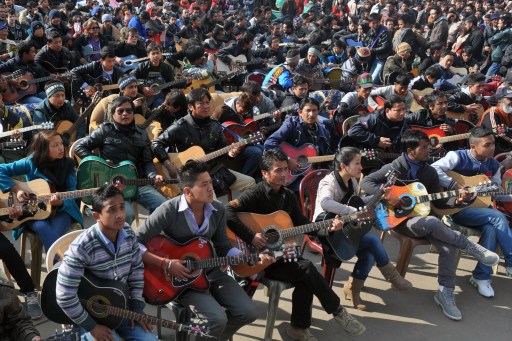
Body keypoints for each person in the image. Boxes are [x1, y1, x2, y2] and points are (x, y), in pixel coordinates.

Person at [225, 149, 366, 339]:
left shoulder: (288, 197)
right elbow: (226, 211)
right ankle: (333, 313)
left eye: (285, 169)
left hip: (280, 255)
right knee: (307, 269)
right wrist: (251, 237)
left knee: (306, 274)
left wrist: (328, 228)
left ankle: (300, 327)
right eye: (278, 170)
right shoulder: (254, 193)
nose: (284, 174)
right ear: (264, 173)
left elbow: (303, 224)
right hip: (258, 259)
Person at [361, 129, 499, 320]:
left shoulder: (429, 172)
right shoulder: (395, 167)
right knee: (434, 222)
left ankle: (445, 292)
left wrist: (459, 201)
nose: (429, 151)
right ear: (411, 151)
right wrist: (388, 195)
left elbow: (441, 203)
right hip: (400, 221)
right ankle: (469, 245)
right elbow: (366, 182)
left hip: (427, 220)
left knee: (448, 246)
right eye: (425, 147)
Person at [136, 160, 273, 340]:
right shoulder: (168, 210)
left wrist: (248, 258)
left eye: (210, 182)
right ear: (187, 191)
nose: (211, 188)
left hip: (211, 271)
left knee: (248, 312)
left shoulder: (217, 209)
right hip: (179, 280)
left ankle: (210, 337)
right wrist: (166, 263)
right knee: (217, 318)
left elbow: (224, 247)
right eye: (204, 184)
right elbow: (135, 242)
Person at [312, 147, 412, 311]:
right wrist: (353, 212)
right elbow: (326, 203)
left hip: (346, 228)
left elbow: (357, 201)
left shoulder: (352, 179)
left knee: (370, 253)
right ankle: (391, 277)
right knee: (372, 241)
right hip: (327, 231)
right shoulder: (328, 182)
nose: (361, 167)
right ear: (344, 166)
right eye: (357, 163)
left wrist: (380, 195)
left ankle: (354, 290)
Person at [56, 184, 156, 341]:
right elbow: (64, 296)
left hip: (121, 309)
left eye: (122, 207)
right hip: (88, 315)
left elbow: (136, 269)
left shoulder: (129, 233)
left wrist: (137, 307)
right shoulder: (82, 248)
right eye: (112, 210)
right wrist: (92, 327)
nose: (120, 215)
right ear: (96, 216)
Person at [432, 127, 512, 298]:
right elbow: (433, 170)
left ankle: (481, 277)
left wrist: (502, 193)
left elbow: (496, 191)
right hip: (457, 208)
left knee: (491, 227)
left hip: (482, 209)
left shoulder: (494, 166)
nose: (492, 148)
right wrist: (455, 185)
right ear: (473, 147)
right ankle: (511, 261)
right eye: (487, 145)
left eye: (493, 144)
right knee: (498, 217)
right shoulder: (456, 156)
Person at [75, 96, 168, 225]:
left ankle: (145, 236)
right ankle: (121, 242)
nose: (125, 114)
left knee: (164, 206)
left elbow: (147, 161)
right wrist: (101, 163)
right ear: (113, 114)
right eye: (120, 111)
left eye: (129, 111)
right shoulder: (104, 130)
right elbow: (79, 147)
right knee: (126, 214)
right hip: (112, 186)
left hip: (137, 182)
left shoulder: (142, 133)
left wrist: (153, 175)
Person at [151, 88, 256, 194]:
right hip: (192, 176)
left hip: (215, 171)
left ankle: (234, 208)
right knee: (210, 196)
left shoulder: (215, 125)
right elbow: (156, 143)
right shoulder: (180, 126)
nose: (206, 106)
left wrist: (231, 153)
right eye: (201, 103)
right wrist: (168, 165)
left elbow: (223, 152)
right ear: (190, 107)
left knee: (250, 183)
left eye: (207, 102)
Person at [0, 129, 83, 253]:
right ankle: (61, 265)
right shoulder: (30, 163)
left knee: (55, 232)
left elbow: (72, 192)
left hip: (62, 211)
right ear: (43, 149)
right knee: (42, 226)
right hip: (33, 210)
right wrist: (16, 189)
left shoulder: (68, 165)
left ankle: (57, 264)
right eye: (55, 145)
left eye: (61, 143)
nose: (61, 148)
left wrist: (60, 203)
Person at [264, 97, 333, 190]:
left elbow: (327, 155)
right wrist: (287, 159)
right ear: (300, 112)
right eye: (308, 110)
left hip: (312, 171)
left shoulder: (323, 131)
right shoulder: (292, 124)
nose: (311, 114)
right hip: (292, 175)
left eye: (314, 110)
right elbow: (269, 142)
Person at [32, 81, 86, 145]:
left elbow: (80, 122)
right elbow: (44, 134)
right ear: (49, 97)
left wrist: (77, 141)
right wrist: (67, 143)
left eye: (63, 95)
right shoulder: (40, 110)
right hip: (45, 144)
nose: (61, 99)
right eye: (57, 96)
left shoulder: (67, 104)